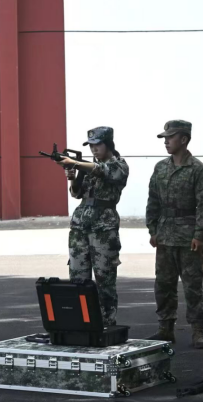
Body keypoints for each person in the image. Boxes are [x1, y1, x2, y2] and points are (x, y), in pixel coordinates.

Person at [146, 120, 203, 349]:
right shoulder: (160, 168)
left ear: (184, 139)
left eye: (170, 137)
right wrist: (152, 229)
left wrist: (200, 234)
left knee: (192, 285)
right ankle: (165, 328)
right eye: (165, 138)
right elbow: (153, 200)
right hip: (165, 234)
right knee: (163, 284)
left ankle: (198, 331)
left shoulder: (198, 169)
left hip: (188, 236)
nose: (166, 141)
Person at [57, 127, 129, 327]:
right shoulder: (88, 167)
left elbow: (103, 171)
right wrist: (72, 176)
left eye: (97, 145)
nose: (94, 149)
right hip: (80, 227)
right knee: (77, 278)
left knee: (105, 279)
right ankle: (82, 322)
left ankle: (107, 323)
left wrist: (75, 163)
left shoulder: (119, 165)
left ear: (108, 144)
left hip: (103, 229)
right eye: (91, 146)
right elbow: (77, 193)